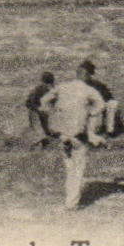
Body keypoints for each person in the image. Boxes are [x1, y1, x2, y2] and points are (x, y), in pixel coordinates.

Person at [39, 65, 106, 210]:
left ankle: (69, 200)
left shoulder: (62, 87)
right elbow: (101, 106)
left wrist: (53, 113)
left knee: (69, 166)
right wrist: (88, 114)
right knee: (77, 168)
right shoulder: (89, 90)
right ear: (88, 76)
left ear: (77, 74)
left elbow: (44, 101)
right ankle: (71, 203)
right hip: (78, 134)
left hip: (62, 133)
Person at [79, 59, 121, 140]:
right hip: (81, 117)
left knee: (112, 104)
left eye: (85, 73)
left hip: (96, 116)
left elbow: (109, 100)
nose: (83, 76)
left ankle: (110, 131)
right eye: (80, 73)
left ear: (90, 74)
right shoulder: (75, 87)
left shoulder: (98, 85)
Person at [24, 72, 58, 146]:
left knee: (46, 130)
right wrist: (38, 109)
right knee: (40, 130)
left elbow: (54, 102)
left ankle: (45, 140)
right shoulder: (38, 89)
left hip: (42, 111)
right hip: (34, 111)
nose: (48, 86)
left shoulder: (51, 89)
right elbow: (28, 103)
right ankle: (41, 141)